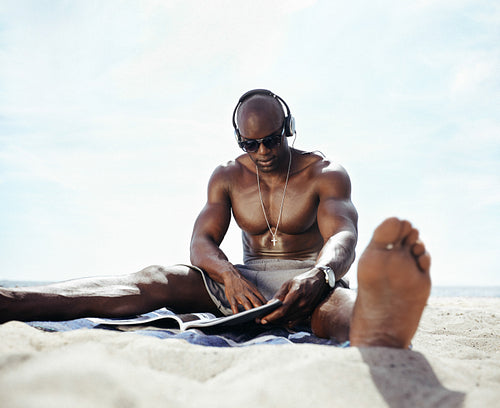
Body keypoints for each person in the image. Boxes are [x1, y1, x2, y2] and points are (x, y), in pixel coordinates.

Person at [0, 89, 431, 348]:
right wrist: (227, 275)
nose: (262, 152)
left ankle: (376, 322)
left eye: (271, 140)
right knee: (157, 276)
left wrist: (321, 275)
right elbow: (201, 243)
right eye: (251, 143)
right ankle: (15, 301)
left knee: (361, 321)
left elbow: (344, 237)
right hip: (242, 281)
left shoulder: (324, 172)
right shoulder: (227, 176)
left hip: (309, 281)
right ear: (239, 139)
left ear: (289, 128)